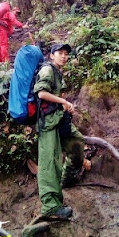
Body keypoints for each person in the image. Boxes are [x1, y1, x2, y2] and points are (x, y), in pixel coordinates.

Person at [33, 43, 85, 219]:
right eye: (60, 53)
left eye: (66, 54)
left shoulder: (57, 72)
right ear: (52, 55)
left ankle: (67, 180)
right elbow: (41, 93)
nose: (64, 56)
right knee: (49, 164)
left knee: (77, 142)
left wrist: (64, 106)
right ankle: (51, 207)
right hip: (47, 124)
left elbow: (53, 98)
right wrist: (63, 103)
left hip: (59, 119)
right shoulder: (47, 71)